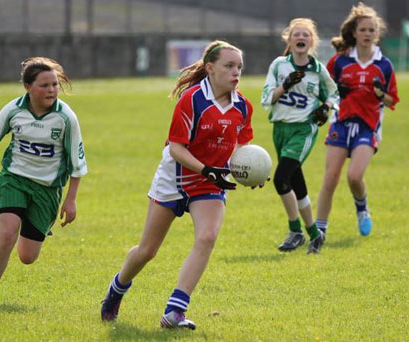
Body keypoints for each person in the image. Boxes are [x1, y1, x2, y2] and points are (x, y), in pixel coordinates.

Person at [101, 40, 255, 330]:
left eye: (239, 67)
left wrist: (247, 171)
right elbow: (176, 149)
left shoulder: (243, 107)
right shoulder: (192, 99)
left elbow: (240, 145)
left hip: (210, 182)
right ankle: (117, 289)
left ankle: (175, 311)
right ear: (210, 69)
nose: (236, 73)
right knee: (147, 250)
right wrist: (207, 169)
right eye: (229, 66)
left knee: (207, 237)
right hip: (175, 177)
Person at [0, 57, 87, 308]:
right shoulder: (13, 109)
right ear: (28, 87)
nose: (51, 90)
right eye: (44, 85)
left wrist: (71, 200)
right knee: (6, 234)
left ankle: (23, 219)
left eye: (54, 85)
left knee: (27, 256)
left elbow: (78, 163)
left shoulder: (66, 117)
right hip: (14, 179)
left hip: (47, 189)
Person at [316, 3, 399, 238]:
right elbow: (324, 88)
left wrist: (380, 94)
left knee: (354, 176)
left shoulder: (384, 65)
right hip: (341, 123)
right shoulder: (340, 62)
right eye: (363, 29)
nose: (368, 34)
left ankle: (362, 208)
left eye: (372, 30)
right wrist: (333, 94)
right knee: (330, 178)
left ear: (377, 33)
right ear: (354, 32)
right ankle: (319, 230)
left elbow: (393, 101)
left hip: (368, 126)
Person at [261, 18, 339, 254]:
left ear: (312, 41)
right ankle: (315, 235)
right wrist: (284, 86)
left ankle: (295, 231)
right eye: (297, 34)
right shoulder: (279, 65)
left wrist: (326, 107)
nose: (301, 37)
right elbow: (267, 97)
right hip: (280, 129)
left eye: (306, 34)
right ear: (289, 39)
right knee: (296, 183)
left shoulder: (317, 70)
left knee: (280, 178)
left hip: (303, 129)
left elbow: (334, 93)